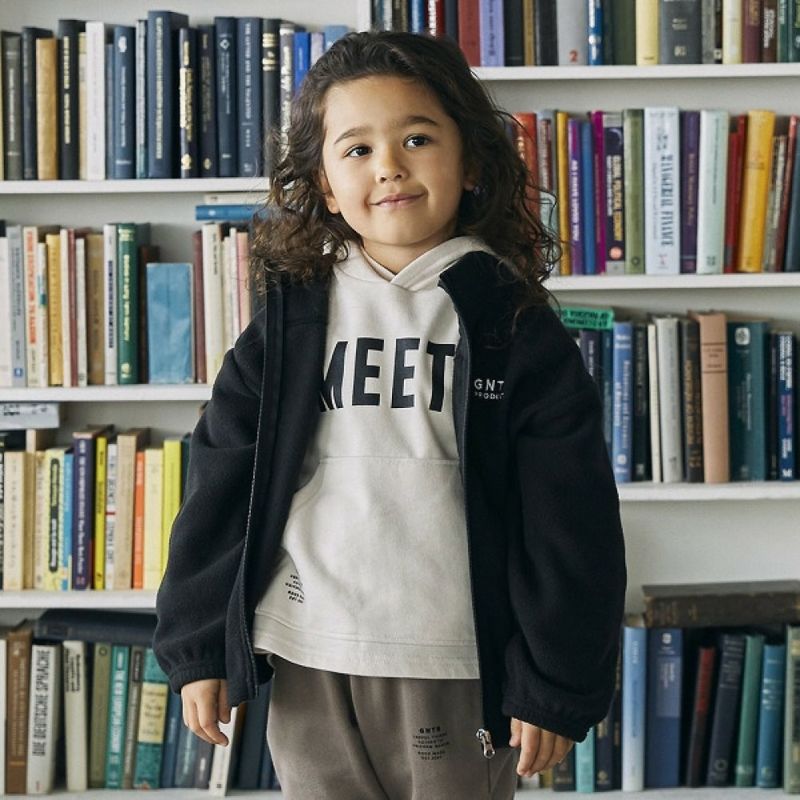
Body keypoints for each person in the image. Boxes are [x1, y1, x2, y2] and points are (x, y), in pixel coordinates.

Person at [154, 30, 626, 800]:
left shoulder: (511, 323)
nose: (390, 167)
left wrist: (556, 681)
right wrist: (199, 645)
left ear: (470, 162)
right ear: (325, 186)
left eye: (416, 139)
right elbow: (221, 480)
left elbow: (568, 513)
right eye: (358, 149)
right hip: (310, 648)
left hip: (456, 658)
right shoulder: (292, 321)